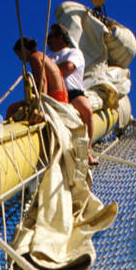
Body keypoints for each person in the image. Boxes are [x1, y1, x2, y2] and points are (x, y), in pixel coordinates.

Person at [46, 24, 97, 165]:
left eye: (50, 37)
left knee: (87, 111)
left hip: (72, 93)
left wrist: (51, 71)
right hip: (51, 94)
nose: (47, 41)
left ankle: (88, 150)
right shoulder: (47, 57)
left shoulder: (73, 53)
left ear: (61, 38)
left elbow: (68, 67)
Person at [4, 36, 68, 121]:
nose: (20, 59)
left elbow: (42, 81)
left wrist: (40, 106)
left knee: (12, 108)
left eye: (19, 54)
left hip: (55, 97)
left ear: (24, 50)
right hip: (62, 96)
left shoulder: (34, 57)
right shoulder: (42, 55)